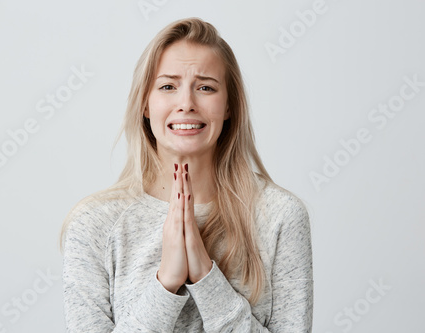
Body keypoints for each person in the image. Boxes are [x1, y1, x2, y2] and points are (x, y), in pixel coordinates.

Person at [60, 17, 313, 332]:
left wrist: (206, 277)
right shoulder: (93, 223)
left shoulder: (280, 216)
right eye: (168, 86)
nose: (186, 104)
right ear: (145, 105)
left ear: (230, 106)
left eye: (206, 87)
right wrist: (166, 282)